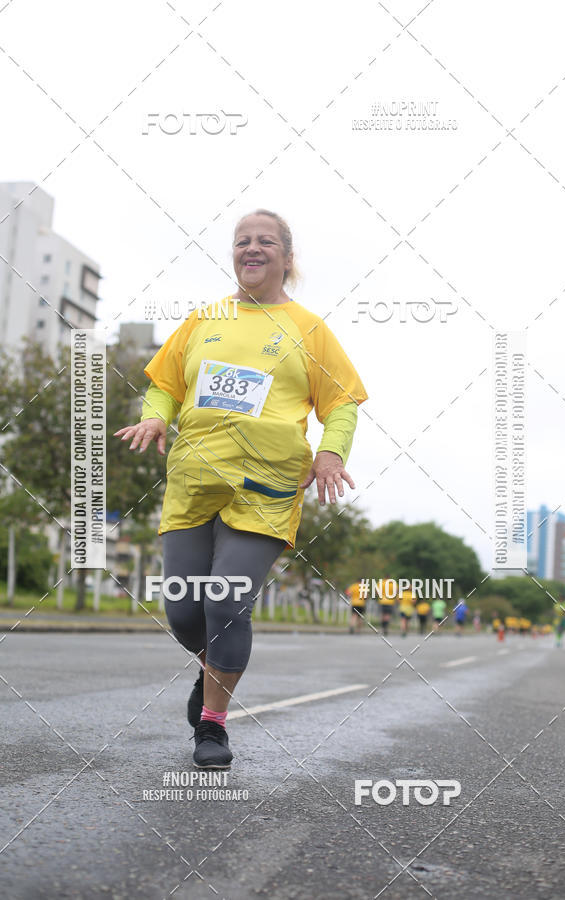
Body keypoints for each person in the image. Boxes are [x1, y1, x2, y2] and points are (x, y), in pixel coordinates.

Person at [114, 209, 367, 770]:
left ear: (286, 256)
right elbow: (164, 386)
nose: (252, 249)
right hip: (196, 477)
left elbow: (342, 401)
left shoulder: (308, 329)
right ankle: (214, 678)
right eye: (242, 241)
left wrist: (331, 452)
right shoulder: (204, 320)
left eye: (266, 242)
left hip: (267, 485)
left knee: (224, 600)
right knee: (182, 607)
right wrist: (155, 417)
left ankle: (213, 724)